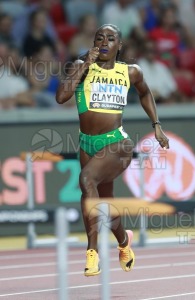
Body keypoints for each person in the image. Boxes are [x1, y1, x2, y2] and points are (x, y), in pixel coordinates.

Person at [56, 24, 169, 276]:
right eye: (99, 38)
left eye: (110, 38)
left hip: (117, 143)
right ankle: (124, 243)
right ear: (93, 44)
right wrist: (85, 64)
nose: (104, 42)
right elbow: (61, 97)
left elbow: (145, 93)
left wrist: (157, 125)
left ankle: (92, 252)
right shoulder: (80, 66)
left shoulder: (130, 72)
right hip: (86, 143)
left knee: (86, 180)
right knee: (105, 205)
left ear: (120, 45)